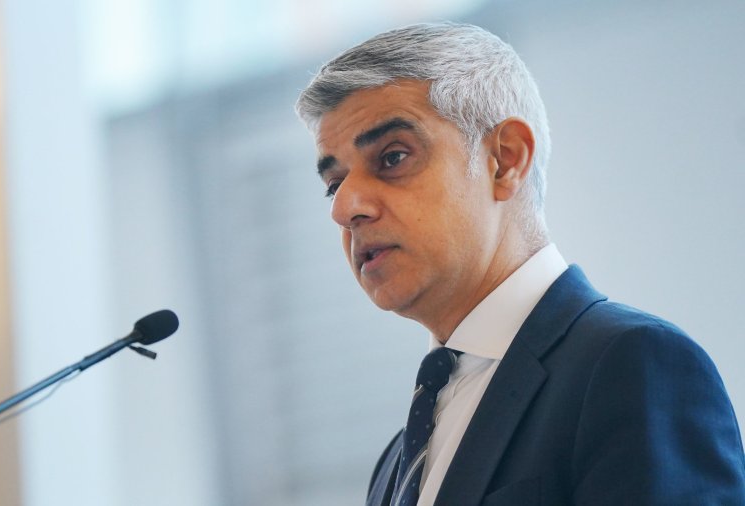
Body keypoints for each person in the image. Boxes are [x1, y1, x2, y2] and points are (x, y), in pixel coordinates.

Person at [294, 22, 745, 506]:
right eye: (333, 183)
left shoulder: (633, 366)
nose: (345, 207)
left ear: (506, 160)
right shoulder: (396, 460)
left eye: (393, 157)